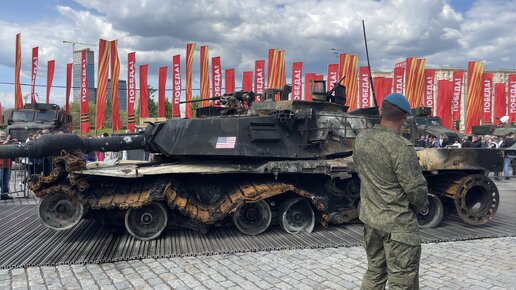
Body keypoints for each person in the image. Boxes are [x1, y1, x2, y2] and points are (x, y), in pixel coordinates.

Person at [354, 93, 429, 290]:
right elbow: (415, 189)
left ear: (381, 111)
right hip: (398, 225)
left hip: (371, 220)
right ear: (405, 117)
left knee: (374, 272)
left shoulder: (361, 139)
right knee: (401, 280)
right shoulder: (401, 147)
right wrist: (422, 207)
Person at [0, 131, 13, 200]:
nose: (2, 138)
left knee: (5, 181)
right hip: (0, 166)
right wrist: (6, 141)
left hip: (7, 165)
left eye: (3, 137)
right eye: (1, 137)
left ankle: (4, 194)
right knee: (0, 180)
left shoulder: (7, 143)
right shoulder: (4, 143)